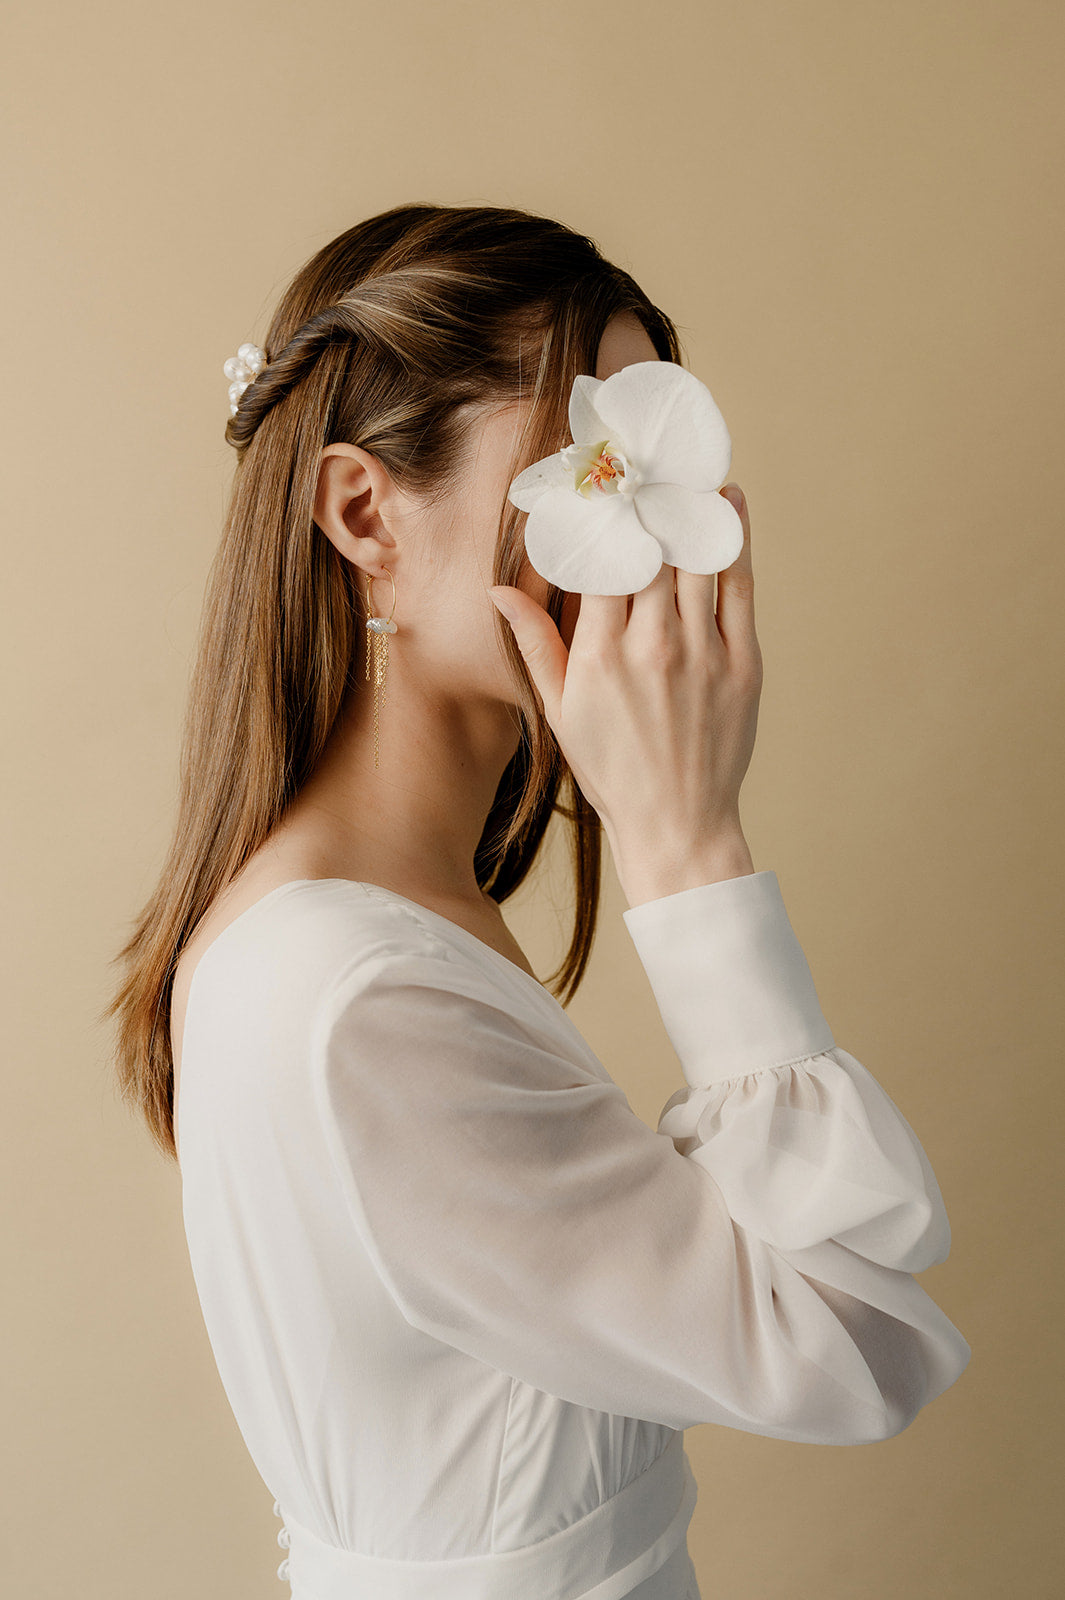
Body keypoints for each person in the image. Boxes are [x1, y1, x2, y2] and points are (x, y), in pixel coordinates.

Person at [105, 202, 970, 1600]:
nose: (642, 548)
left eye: (643, 474)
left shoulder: (366, 919)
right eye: (581, 471)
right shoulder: (352, 994)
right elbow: (849, 1342)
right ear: (362, 512)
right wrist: (686, 839)